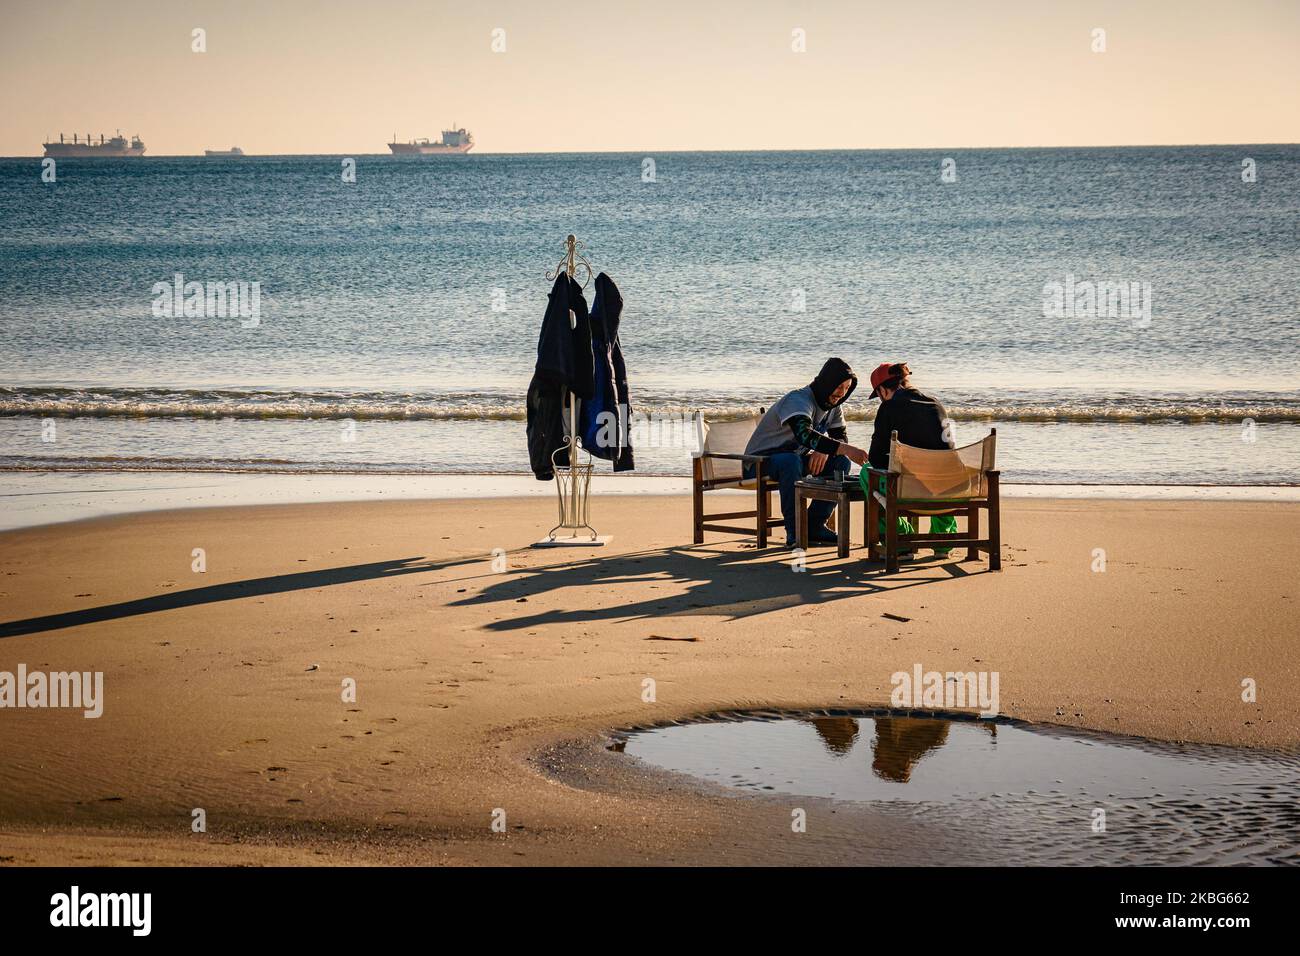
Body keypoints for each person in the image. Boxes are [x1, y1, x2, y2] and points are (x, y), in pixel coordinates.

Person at [743, 358, 870, 548]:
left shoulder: (834, 407)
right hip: (758, 463)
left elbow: (841, 438)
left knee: (841, 462)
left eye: (847, 388)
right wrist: (825, 447)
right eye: (839, 386)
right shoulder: (799, 399)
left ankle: (814, 525)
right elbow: (804, 435)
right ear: (827, 382)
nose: (842, 393)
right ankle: (795, 531)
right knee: (790, 461)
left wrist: (826, 451)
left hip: (794, 460)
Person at [862, 362, 957, 557]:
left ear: (882, 390)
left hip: (909, 492)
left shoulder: (888, 408)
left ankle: (900, 540)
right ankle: (943, 541)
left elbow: (876, 458)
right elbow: (949, 451)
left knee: (867, 472)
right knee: (943, 468)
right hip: (945, 490)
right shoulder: (937, 405)